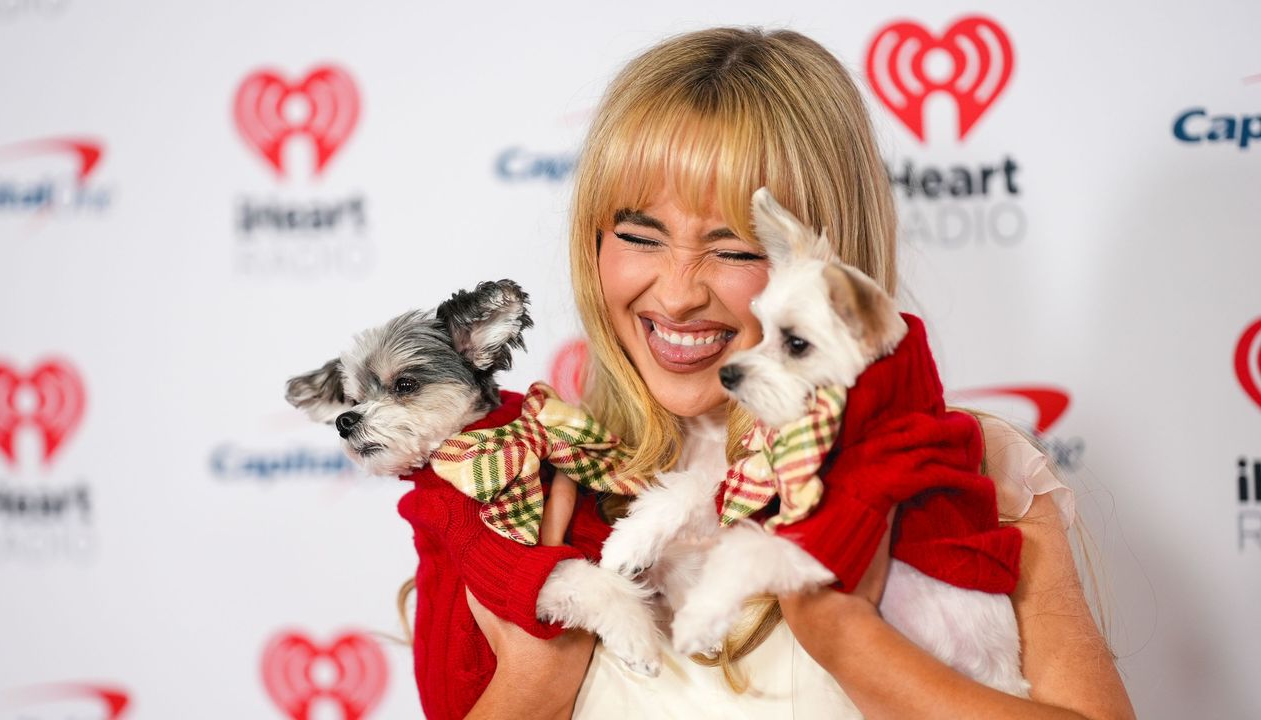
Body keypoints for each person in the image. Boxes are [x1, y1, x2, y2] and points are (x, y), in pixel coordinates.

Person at [457, 26, 1136, 719]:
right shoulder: (524, 482)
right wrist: (532, 685)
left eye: (734, 247)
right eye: (639, 236)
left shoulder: (952, 466)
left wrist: (846, 636)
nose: (678, 291)